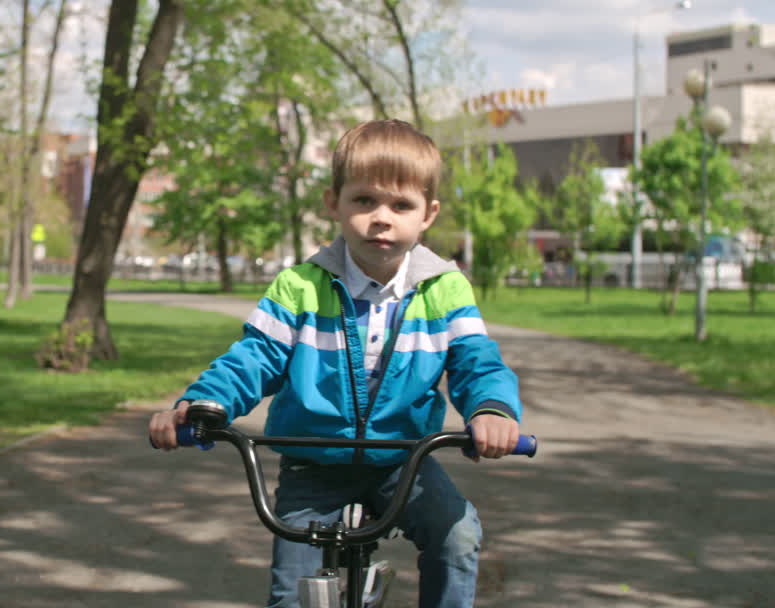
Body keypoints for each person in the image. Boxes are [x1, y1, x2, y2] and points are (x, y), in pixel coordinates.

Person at [148, 119, 522, 608]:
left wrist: (492, 409)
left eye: (400, 205)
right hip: (313, 463)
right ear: (334, 204)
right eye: (364, 200)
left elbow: (477, 362)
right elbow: (254, 358)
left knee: (458, 536)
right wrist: (201, 405)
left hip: (404, 462)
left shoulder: (445, 291)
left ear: (427, 214)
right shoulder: (300, 287)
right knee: (292, 596)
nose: (381, 217)